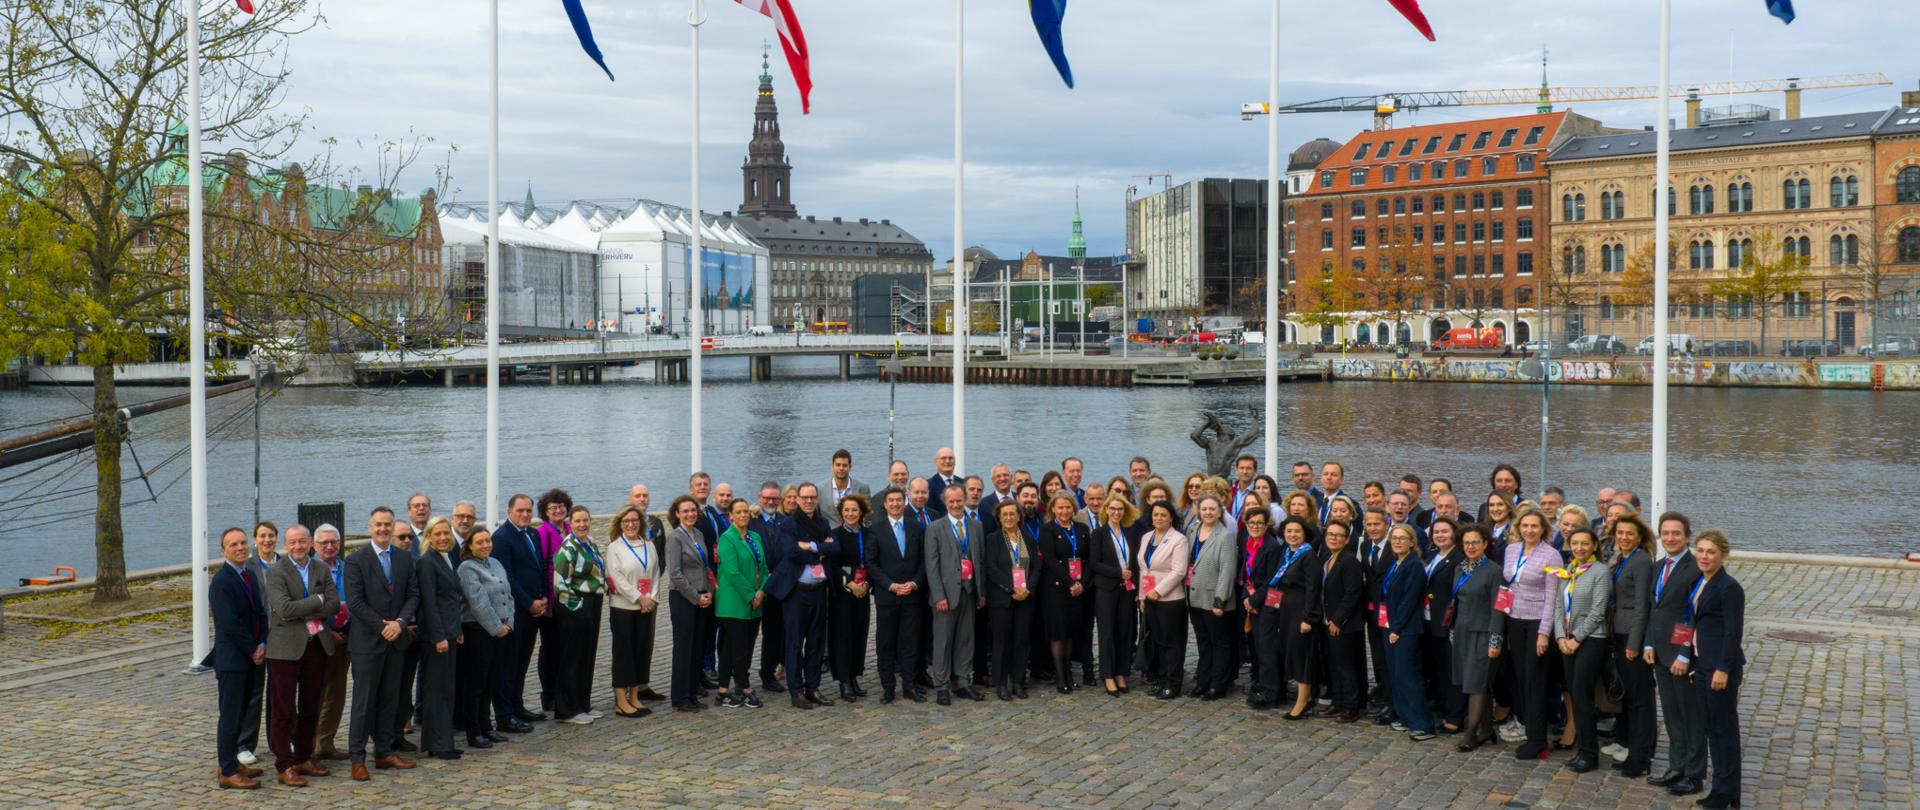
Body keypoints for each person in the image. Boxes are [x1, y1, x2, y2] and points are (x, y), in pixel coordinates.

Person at [343, 507, 418, 780]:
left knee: (390, 699)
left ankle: (384, 752)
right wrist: (381, 626)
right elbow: (355, 602)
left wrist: (399, 622)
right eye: (378, 525)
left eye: (388, 525)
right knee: (364, 702)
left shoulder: (403, 558)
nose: (384, 529)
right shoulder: (356, 561)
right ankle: (357, 757)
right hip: (367, 643)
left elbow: (413, 595)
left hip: (396, 639)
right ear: (370, 527)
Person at [263, 524, 339, 786]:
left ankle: (304, 757)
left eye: (303, 542)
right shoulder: (276, 572)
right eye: (293, 542)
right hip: (284, 650)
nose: (298, 547)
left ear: (310, 543)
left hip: (316, 645)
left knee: (311, 706)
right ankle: (284, 764)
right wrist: (316, 601)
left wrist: (310, 606)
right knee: (283, 709)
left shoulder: (320, 568)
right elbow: (283, 608)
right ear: (286, 544)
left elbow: (333, 603)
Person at [1644, 512, 1708, 798]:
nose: (1670, 538)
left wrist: (1684, 655)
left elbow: (1691, 616)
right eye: (1665, 533)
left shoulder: (1695, 569)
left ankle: (1694, 775)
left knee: (1690, 717)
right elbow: (1653, 610)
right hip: (1659, 652)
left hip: (1682, 656)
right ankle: (1676, 766)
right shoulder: (1658, 567)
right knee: (1671, 714)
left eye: (1676, 533)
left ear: (1687, 536)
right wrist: (1648, 644)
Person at [1545, 527, 1611, 772]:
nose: (1580, 548)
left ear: (1594, 546)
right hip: (1567, 640)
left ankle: (1589, 754)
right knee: (1573, 692)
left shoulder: (1600, 572)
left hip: (1591, 639)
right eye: (1575, 543)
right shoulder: (1569, 570)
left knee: (1583, 697)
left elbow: (1599, 609)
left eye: (1585, 543)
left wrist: (1577, 638)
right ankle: (1582, 749)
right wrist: (1561, 637)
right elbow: (1558, 606)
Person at [1689, 530, 1746, 810]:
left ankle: (1727, 790)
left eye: (1710, 552)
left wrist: (1723, 668)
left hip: (1720, 667)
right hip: (1702, 663)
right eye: (1700, 550)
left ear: (1723, 555)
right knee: (1711, 727)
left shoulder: (1729, 587)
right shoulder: (1702, 581)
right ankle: (1721, 788)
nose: (1704, 556)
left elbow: (1733, 633)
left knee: (1724, 730)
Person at [769, 483, 837, 708]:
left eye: (812, 497)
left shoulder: (823, 523)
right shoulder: (788, 524)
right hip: (796, 592)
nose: (809, 501)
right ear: (796, 500)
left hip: (819, 590)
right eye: (804, 497)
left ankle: (813, 687)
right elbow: (790, 552)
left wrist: (810, 546)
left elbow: (835, 548)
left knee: (817, 642)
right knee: (795, 643)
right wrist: (819, 551)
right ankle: (796, 690)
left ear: (817, 499)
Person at [211, 527, 268, 789]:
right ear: (223, 551)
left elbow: (260, 613)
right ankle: (227, 770)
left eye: (243, 543)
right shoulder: (221, 582)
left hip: (252, 655)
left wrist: (263, 642)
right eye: (233, 545)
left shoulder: (249, 576)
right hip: (233, 659)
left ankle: (235, 762)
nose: (240, 548)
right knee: (231, 715)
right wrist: (252, 649)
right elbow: (230, 623)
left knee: (244, 712)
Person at [1501, 507, 1558, 760]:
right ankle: (1527, 728)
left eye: (1535, 526)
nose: (1529, 530)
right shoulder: (1511, 550)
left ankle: (1538, 740)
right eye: (1525, 526)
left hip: (1537, 622)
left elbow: (1552, 598)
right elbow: (1509, 584)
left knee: (1536, 680)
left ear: (1543, 529)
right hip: (1514, 618)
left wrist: (1544, 633)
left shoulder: (1552, 556)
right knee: (1521, 677)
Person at [1248, 512, 1317, 717]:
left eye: (1297, 531)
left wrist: (1308, 617)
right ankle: (1303, 697)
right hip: (1285, 610)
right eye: (1289, 531)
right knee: (1289, 651)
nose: (1293, 535)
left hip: (1300, 611)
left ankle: (1303, 700)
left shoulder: (1308, 555)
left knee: (1300, 655)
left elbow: (1313, 589)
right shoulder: (1287, 552)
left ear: (1305, 533)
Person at [1604, 512, 1657, 776]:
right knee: (1629, 697)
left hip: (1631, 635)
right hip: (1619, 631)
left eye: (1629, 534)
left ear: (1639, 537)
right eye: (1620, 533)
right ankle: (1632, 749)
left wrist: (1634, 644)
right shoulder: (1621, 559)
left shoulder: (1641, 561)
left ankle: (1642, 756)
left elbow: (1642, 606)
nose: (1624, 538)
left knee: (1640, 698)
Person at [488, 494, 546, 732]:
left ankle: (517, 705)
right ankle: (505, 715)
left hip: (534, 609)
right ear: (509, 511)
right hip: (514, 611)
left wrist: (542, 597)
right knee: (507, 665)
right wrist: (527, 602)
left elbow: (538, 566)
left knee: (522, 662)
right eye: (520, 510)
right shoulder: (501, 538)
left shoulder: (531, 534)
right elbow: (507, 577)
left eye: (528, 510)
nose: (525, 514)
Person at [413, 517, 468, 760]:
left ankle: (444, 739)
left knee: (447, 688)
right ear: (429, 537)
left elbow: (451, 600)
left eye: (446, 533)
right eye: (438, 534)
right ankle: (436, 743)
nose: (444, 538)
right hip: (436, 637)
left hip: (449, 632)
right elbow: (429, 603)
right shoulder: (427, 562)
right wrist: (439, 636)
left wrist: (457, 631)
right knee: (436, 690)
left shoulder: (445, 558)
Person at [924, 486, 983, 705]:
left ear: (965, 500)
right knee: (943, 642)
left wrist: (981, 592)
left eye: (959, 501)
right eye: (952, 502)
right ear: (945, 503)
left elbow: (980, 560)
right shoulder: (935, 528)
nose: (956, 505)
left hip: (969, 592)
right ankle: (941, 686)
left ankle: (964, 682)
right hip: (945, 596)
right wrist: (938, 595)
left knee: (965, 640)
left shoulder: (976, 526)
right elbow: (932, 565)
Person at [866, 487, 927, 703]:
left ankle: (909, 686)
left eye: (899, 500)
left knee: (910, 642)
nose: (895, 504)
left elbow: (923, 561)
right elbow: (871, 563)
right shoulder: (875, 529)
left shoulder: (916, 527)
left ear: (905, 501)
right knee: (886, 643)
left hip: (911, 595)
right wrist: (890, 585)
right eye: (891, 501)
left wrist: (915, 583)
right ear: (884, 504)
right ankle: (888, 688)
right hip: (887, 596)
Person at [1448, 525, 1505, 752]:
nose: (1471, 547)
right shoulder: (1460, 568)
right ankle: (1486, 729)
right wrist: (1452, 629)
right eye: (1467, 543)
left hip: (1483, 633)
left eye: (1475, 542)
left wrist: (1495, 639)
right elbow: (1457, 602)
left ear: (1485, 544)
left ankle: (1471, 732)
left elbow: (1498, 608)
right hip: (1462, 631)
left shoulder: (1494, 571)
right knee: (1475, 681)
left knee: (1477, 683)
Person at [457, 526, 514, 749]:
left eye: (487, 541)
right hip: (477, 630)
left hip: (501, 629)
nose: (485, 545)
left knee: (491, 680)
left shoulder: (496, 564)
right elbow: (478, 603)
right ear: (469, 546)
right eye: (479, 542)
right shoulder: (467, 569)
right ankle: (474, 731)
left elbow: (508, 595)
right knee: (475, 683)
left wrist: (509, 623)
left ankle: (487, 726)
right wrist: (496, 628)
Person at [549, 505, 607, 724]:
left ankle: (583, 703)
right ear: (570, 523)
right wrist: (579, 607)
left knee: (587, 656)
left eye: (585, 520)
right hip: (574, 606)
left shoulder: (589, 543)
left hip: (593, 603)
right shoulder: (568, 547)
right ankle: (567, 709)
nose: (582, 525)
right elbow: (560, 585)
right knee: (572, 658)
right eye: (578, 521)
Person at [606, 505, 663, 718]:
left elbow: (656, 573)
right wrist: (639, 598)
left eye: (634, 520)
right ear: (620, 524)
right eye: (626, 521)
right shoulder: (615, 548)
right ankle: (621, 700)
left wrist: (652, 599)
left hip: (646, 608)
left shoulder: (649, 545)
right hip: (623, 607)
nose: (631, 524)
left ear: (640, 522)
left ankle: (635, 697)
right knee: (623, 654)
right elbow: (617, 577)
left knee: (641, 651)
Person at [714, 498, 771, 709]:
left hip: (754, 603)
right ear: (731, 515)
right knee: (740, 648)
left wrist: (761, 591)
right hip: (733, 603)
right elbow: (732, 572)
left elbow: (764, 568)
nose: (742, 515)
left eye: (745, 511)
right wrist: (751, 595)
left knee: (730, 648)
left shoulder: (754, 536)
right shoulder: (727, 540)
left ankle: (722, 691)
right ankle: (745, 688)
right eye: (738, 512)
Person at [1381, 524, 1435, 741]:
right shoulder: (1396, 563)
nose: (1397, 541)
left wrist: (1397, 629)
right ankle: (1405, 716)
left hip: (1406, 629)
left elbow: (1409, 601)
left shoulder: (1413, 565)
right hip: (1391, 626)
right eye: (1394, 538)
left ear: (1412, 542)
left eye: (1402, 538)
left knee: (1409, 676)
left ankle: (1423, 723)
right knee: (1396, 675)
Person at [984, 500, 1040, 701]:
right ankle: (1001, 683)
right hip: (1002, 598)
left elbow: (1036, 567)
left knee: (1022, 640)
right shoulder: (992, 539)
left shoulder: (1028, 538)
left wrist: (1028, 589)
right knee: (1001, 642)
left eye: (1012, 514)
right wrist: (1011, 587)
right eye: (1004, 514)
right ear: (999, 517)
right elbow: (991, 568)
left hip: (1025, 598)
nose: (1008, 517)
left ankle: (1018, 681)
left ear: (1018, 516)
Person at [664, 496, 716, 713]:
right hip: (683, 599)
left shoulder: (700, 534)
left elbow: (705, 566)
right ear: (677, 514)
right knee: (684, 649)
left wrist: (709, 592)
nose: (690, 514)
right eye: (685, 511)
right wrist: (696, 596)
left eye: (693, 510)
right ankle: (680, 697)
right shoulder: (675, 538)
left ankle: (692, 693)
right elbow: (675, 574)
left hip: (702, 597)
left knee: (697, 648)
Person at [235, 520, 280, 769]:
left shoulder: (284, 565)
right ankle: (245, 744)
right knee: (253, 694)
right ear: (255, 540)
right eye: (262, 536)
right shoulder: (248, 567)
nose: (267, 540)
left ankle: (279, 741)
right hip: (258, 640)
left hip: (282, 639)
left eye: (271, 536)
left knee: (280, 693)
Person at [1185, 496, 1237, 700]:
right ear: (1199, 511)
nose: (1207, 512)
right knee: (1203, 641)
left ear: (1219, 512)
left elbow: (1227, 570)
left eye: (1212, 509)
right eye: (1204, 509)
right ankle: (1202, 682)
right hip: (1194, 597)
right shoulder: (1192, 531)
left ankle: (1218, 685)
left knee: (1219, 643)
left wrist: (1220, 600)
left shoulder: (1224, 536)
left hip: (1215, 599)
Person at [1137, 501, 1191, 700]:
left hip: (1170, 599)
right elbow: (1144, 569)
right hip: (1150, 599)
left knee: (1172, 644)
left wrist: (1158, 591)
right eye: (1155, 514)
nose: (1158, 518)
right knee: (1158, 642)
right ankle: (1161, 680)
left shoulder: (1179, 540)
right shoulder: (1146, 537)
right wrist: (1143, 596)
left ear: (1171, 518)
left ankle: (1173, 683)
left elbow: (1179, 571)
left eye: (1163, 515)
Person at [310, 525, 354, 761]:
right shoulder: (307, 570)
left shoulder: (348, 568)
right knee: (314, 693)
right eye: (324, 542)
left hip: (345, 640)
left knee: (336, 694)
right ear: (314, 545)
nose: (329, 546)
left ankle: (326, 742)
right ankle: (309, 744)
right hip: (316, 639)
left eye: (334, 542)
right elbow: (302, 610)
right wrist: (325, 633)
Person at [1089, 492, 1139, 697]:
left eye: (1120, 509)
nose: (1116, 512)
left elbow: (1135, 561)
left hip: (1127, 591)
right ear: (1106, 510)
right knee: (1107, 633)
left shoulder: (1130, 533)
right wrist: (1118, 572)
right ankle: (1108, 675)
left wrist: (1133, 581)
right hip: (1106, 590)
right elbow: (1094, 563)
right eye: (1112, 509)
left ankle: (1121, 672)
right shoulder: (1098, 534)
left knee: (1125, 632)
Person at [622, 485, 668, 703]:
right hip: (630, 595)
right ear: (630, 498)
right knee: (629, 643)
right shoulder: (625, 521)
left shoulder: (657, 524)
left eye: (645, 496)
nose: (642, 499)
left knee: (646, 641)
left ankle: (643, 684)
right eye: (638, 496)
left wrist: (652, 592)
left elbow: (662, 558)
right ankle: (627, 689)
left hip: (652, 593)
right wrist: (638, 594)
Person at [1318, 521, 1367, 722]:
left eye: (1339, 535)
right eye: (1330, 534)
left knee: (1346, 666)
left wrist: (1337, 620)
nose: (1333, 538)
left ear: (1347, 539)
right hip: (1328, 621)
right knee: (1334, 665)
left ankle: (1351, 706)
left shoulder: (1349, 562)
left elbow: (1352, 593)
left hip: (1344, 624)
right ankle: (1338, 702)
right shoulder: (1329, 559)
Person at [1419, 517, 1464, 733]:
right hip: (1428, 620)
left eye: (1444, 531)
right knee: (1436, 669)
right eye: (1436, 532)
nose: (1440, 535)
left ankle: (1455, 716)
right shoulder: (1432, 556)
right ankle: (1442, 706)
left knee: (1451, 672)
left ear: (1454, 532)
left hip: (1447, 623)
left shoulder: (1459, 558)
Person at [828, 494, 874, 700]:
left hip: (862, 591)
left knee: (859, 634)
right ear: (841, 513)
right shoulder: (834, 535)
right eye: (846, 510)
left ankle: (854, 676)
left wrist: (866, 583)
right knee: (843, 636)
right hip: (843, 594)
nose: (850, 513)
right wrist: (849, 583)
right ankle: (844, 680)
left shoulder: (868, 534)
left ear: (861, 512)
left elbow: (872, 562)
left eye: (854, 510)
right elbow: (831, 565)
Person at [532, 488, 574, 714]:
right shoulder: (544, 532)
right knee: (550, 648)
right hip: (552, 597)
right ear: (545, 512)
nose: (558, 510)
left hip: (570, 598)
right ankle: (548, 694)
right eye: (553, 507)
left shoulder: (569, 528)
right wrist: (546, 599)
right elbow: (542, 566)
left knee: (566, 647)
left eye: (561, 506)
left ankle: (564, 690)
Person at [748, 483, 789, 694]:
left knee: (774, 634)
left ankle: (768, 674)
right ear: (759, 497)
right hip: (755, 588)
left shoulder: (786, 522)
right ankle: (741, 676)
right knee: (748, 633)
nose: (771, 502)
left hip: (779, 588)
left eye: (775, 499)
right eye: (767, 498)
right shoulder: (750, 522)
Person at [826, 449, 870, 528]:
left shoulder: (863, 488)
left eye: (844, 465)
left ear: (850, 467)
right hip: (829, 536)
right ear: (832, 466)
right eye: (838, 465)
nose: (841, 468)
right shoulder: (820, 489)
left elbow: (866, 515)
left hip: (855, 534)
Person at [927, 446, 960, 514]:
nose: (947, 461)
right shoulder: (929, 485)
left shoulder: (963, 482)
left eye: (951, 458)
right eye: (943, 458)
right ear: (935, 462)